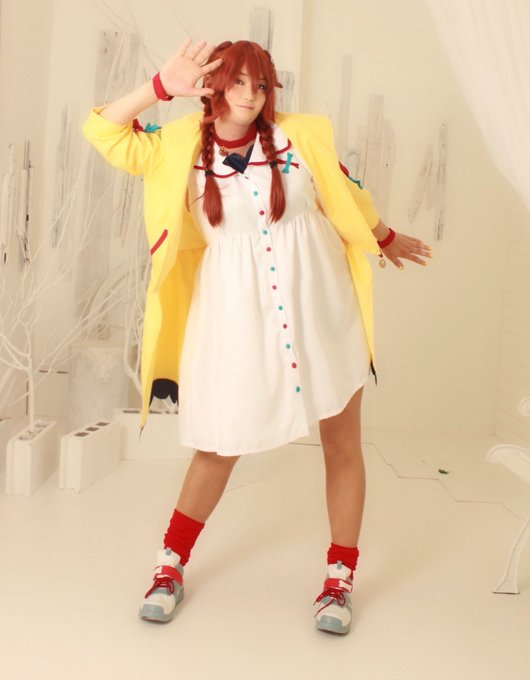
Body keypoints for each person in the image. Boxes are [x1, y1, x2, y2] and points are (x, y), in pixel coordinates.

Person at [82, 38, 431, 635]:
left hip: (320, 306)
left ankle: (339, 579)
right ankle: (170, 566)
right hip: (236, 315)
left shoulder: (302, 136)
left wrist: (385, 235)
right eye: (238, 81)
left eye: (261, 84)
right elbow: (103, 131)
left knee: (341, 440)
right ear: (214, 85)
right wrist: (159, 87)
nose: (250, 95)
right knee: (219, 443)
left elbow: (345, 193)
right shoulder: (174, 148)